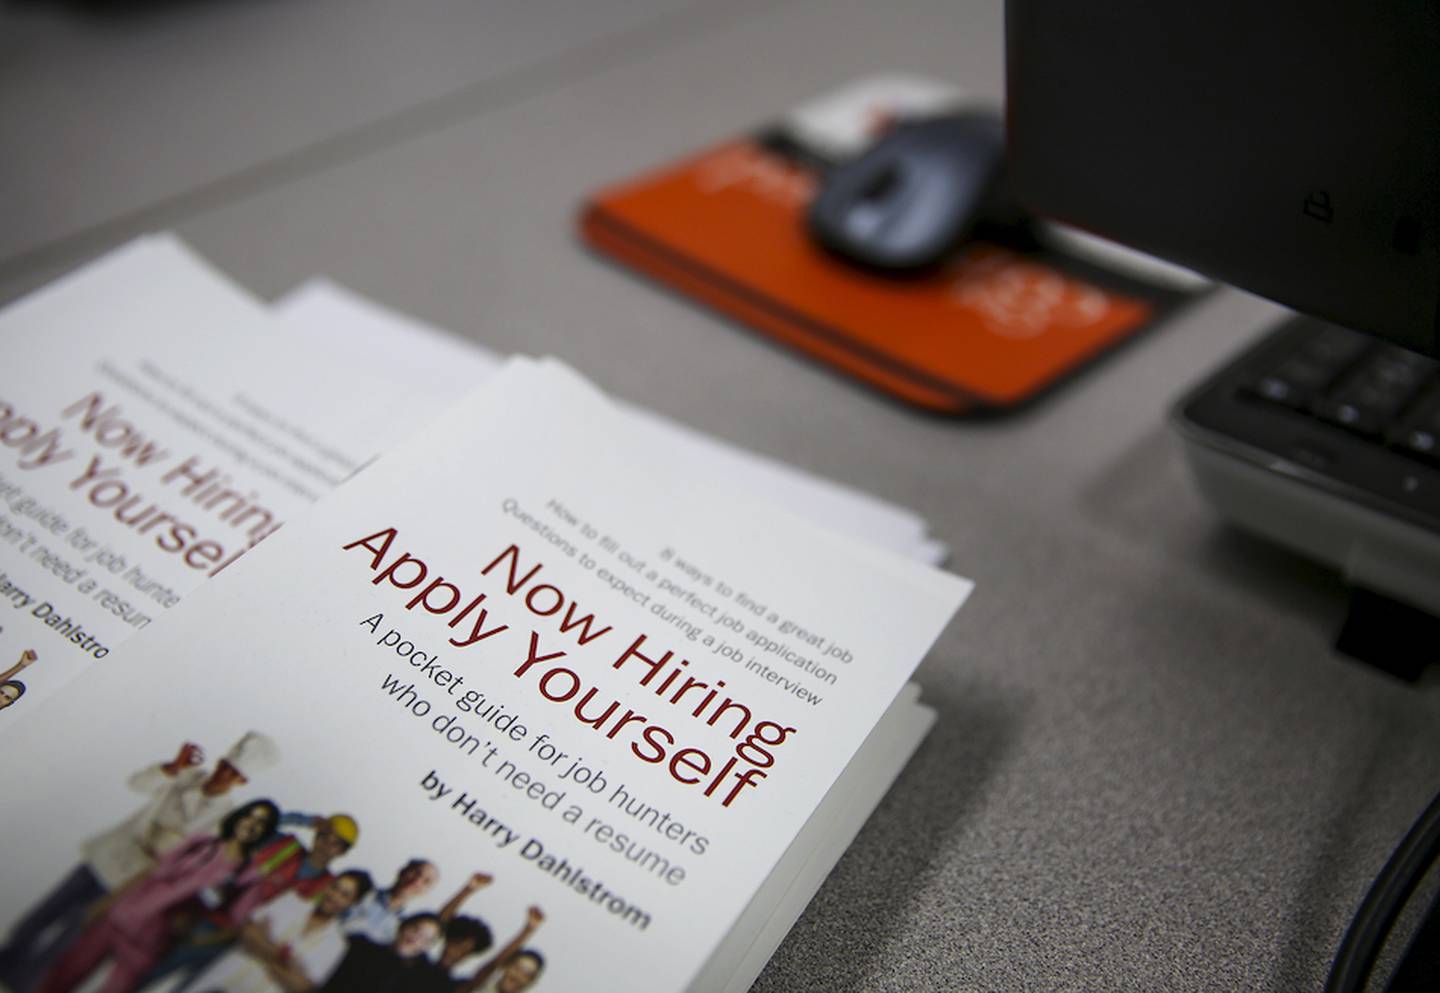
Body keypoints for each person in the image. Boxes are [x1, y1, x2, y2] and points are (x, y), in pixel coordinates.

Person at [0, 732, 280, 993]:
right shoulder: (186, 776)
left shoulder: (225, 820)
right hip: (108, 856)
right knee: (42, 915)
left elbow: (182, 856)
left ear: (242, 782)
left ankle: (23, 985)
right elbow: (138, 784)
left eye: (234, 773)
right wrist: (172, 767)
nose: (224, 774)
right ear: (219, 762)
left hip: (132, 879)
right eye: (225, 766)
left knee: (71, 934)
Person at [35, 799, 281, 993]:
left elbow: (232, 924)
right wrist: (106, 903)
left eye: (261, 823)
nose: (251, 824)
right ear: (240, 816)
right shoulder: (202, 843)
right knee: (65, 974)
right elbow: (151, 872)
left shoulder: (245, 877)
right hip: (122, 915)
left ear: (265, 833)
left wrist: (188, 941)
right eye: (250, 816)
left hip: (151, 943)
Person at [138, 812, 360, 992]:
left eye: (336, 844)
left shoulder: (329, 885)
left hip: (247, 950)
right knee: (154, 972)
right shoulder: (286, 845)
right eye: (325, 836)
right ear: (317, 834)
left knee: (190, 987)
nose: (326, 846)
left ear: (342, 852)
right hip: (217, 924)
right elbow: (259, 823)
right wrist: (305, 821)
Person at [184, 869, 374, 993]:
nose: (334, 896)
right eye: (335, 888)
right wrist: (287, 961)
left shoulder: (336, 944)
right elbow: (247, 933)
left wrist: (264, 943)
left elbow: (301, 986)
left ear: (352, 903)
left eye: (344, 895)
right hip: (221, 981)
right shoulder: (291, 902)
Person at [342, 863, 490, 944]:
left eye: (426, 881)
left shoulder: (401, 927)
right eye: (416, 872)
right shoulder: (361, 892)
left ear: (426, 891)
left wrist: (467, 890)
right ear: (402, 871)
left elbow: (436, 925)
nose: (417, 881)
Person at [318, 912, 443, 993]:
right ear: (403, 926)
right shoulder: (362, 948)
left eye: (425, 939)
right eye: (415, 929)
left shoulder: (417, 982)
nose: (415, 939)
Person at [458, 909, 545, 993]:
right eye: (517, 968)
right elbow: (492, 965)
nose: (517, 976)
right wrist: (527, 930)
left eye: (526, 974)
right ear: (506, 966)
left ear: (531, 982)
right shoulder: (478, 986)